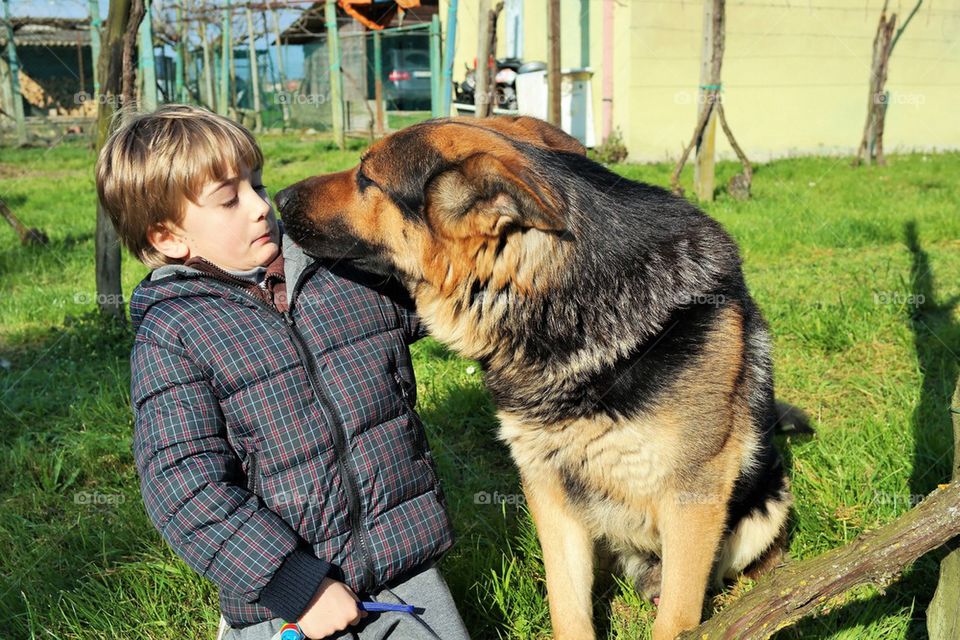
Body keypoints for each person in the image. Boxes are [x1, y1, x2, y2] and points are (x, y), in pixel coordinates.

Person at [95, 104, 467, 640]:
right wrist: (296, 584)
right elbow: (183, 485)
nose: (260, 206)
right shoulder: (176, 334)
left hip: (406, 575)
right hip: (287, 605)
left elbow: (443, 298)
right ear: (168, 238)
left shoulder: (340, 270)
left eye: (257, 183)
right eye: (229, 199)